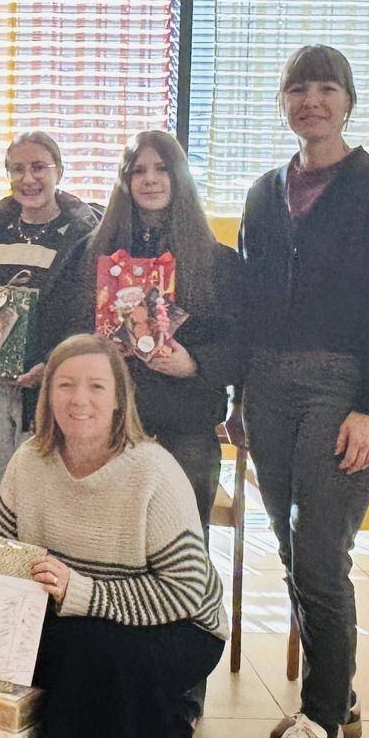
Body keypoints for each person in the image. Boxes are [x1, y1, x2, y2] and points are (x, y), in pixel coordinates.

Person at [240, 46, 369, 738]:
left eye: (325, 88)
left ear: (347, 101)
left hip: (347, 387)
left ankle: (318, 722)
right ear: (282, 101)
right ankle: (335, 694)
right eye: (297, 88)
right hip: (268, 390)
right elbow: (251, 303)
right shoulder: (263, 191)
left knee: (319, 552)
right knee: (292, 549)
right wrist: (235, 402)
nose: (310, 101)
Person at [0, 335, 226, 738]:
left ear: (120, 398)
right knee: (24, 646)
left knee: (93, 647)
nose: (80, 399)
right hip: (75, 610)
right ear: (47, 394)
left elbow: (186, 593)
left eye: (96, 386)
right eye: (66, 385)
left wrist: (83, 593)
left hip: (180, 628)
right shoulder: (29, 461)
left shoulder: (153, 472)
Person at [80, 130, 241, 535]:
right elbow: (68, 331)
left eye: (162, 169)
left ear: (181, 177)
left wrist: (195, 364)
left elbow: (242, 345)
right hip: (108, 424)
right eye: (138, 171)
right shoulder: (94, 254)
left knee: (183, 545)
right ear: (125, 182)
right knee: (106, 543)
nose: (150, 179)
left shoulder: (217, 262)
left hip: (185, 424)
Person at [0, 131, 101, 499]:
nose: (28, 178)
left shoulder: (87, 235)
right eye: (17, 169)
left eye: (38, 167)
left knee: (42, 492)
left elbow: (88, 315)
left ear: (59, 172)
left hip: (50, 386)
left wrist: (54, 364)